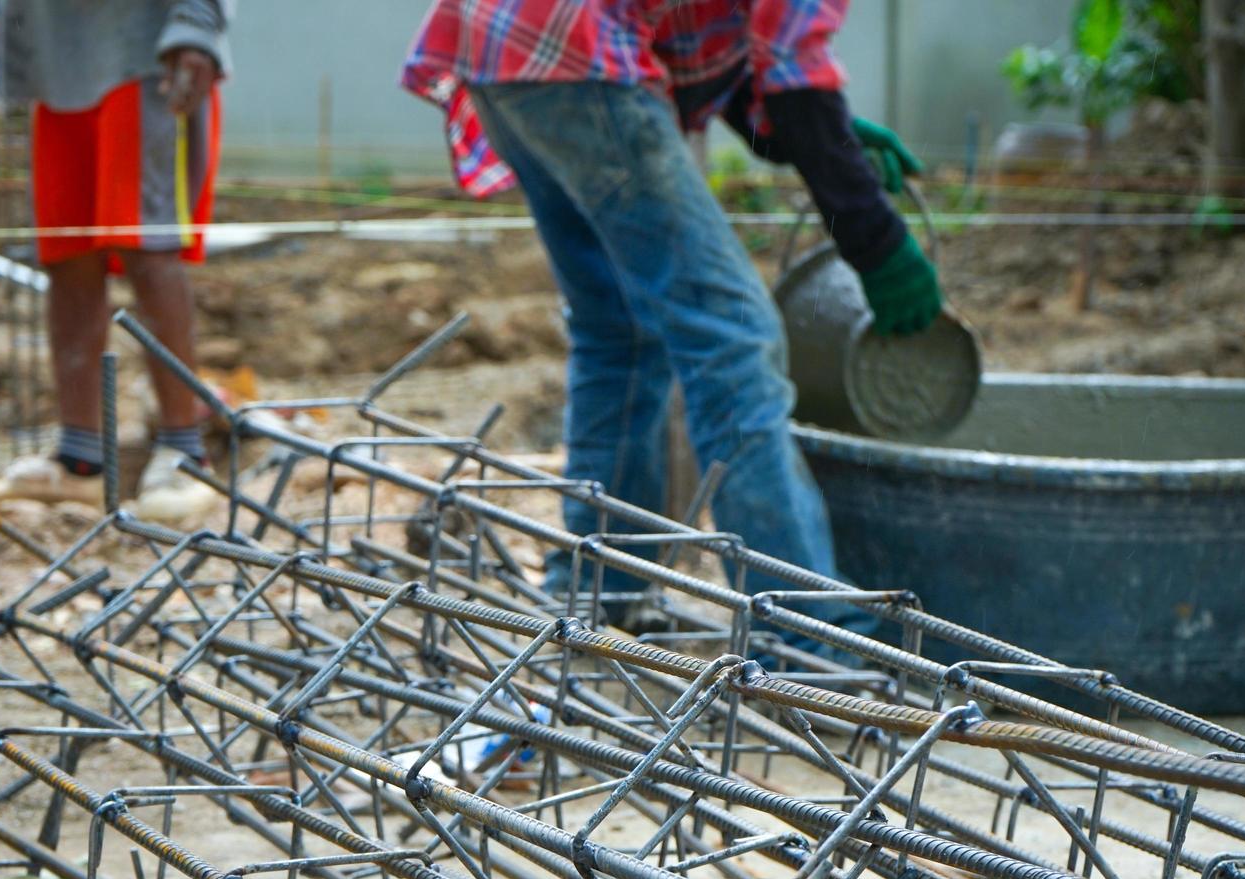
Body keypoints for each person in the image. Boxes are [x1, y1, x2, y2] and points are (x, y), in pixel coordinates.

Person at [402, 0, 939, 643]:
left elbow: (730, 50)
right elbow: (794, 77)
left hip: (505, 43)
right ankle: (804, 636)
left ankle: (602, 589)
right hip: (576, 47)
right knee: (732, 333)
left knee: (620, 327)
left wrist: (833, 136)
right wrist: (879, 246)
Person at [0, 0, 233, 523]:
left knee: (149, 250)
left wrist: (197, 21)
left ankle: (184, 452)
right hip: (51, 62)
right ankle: (79, 462)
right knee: (67, 254)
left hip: (146, 53)